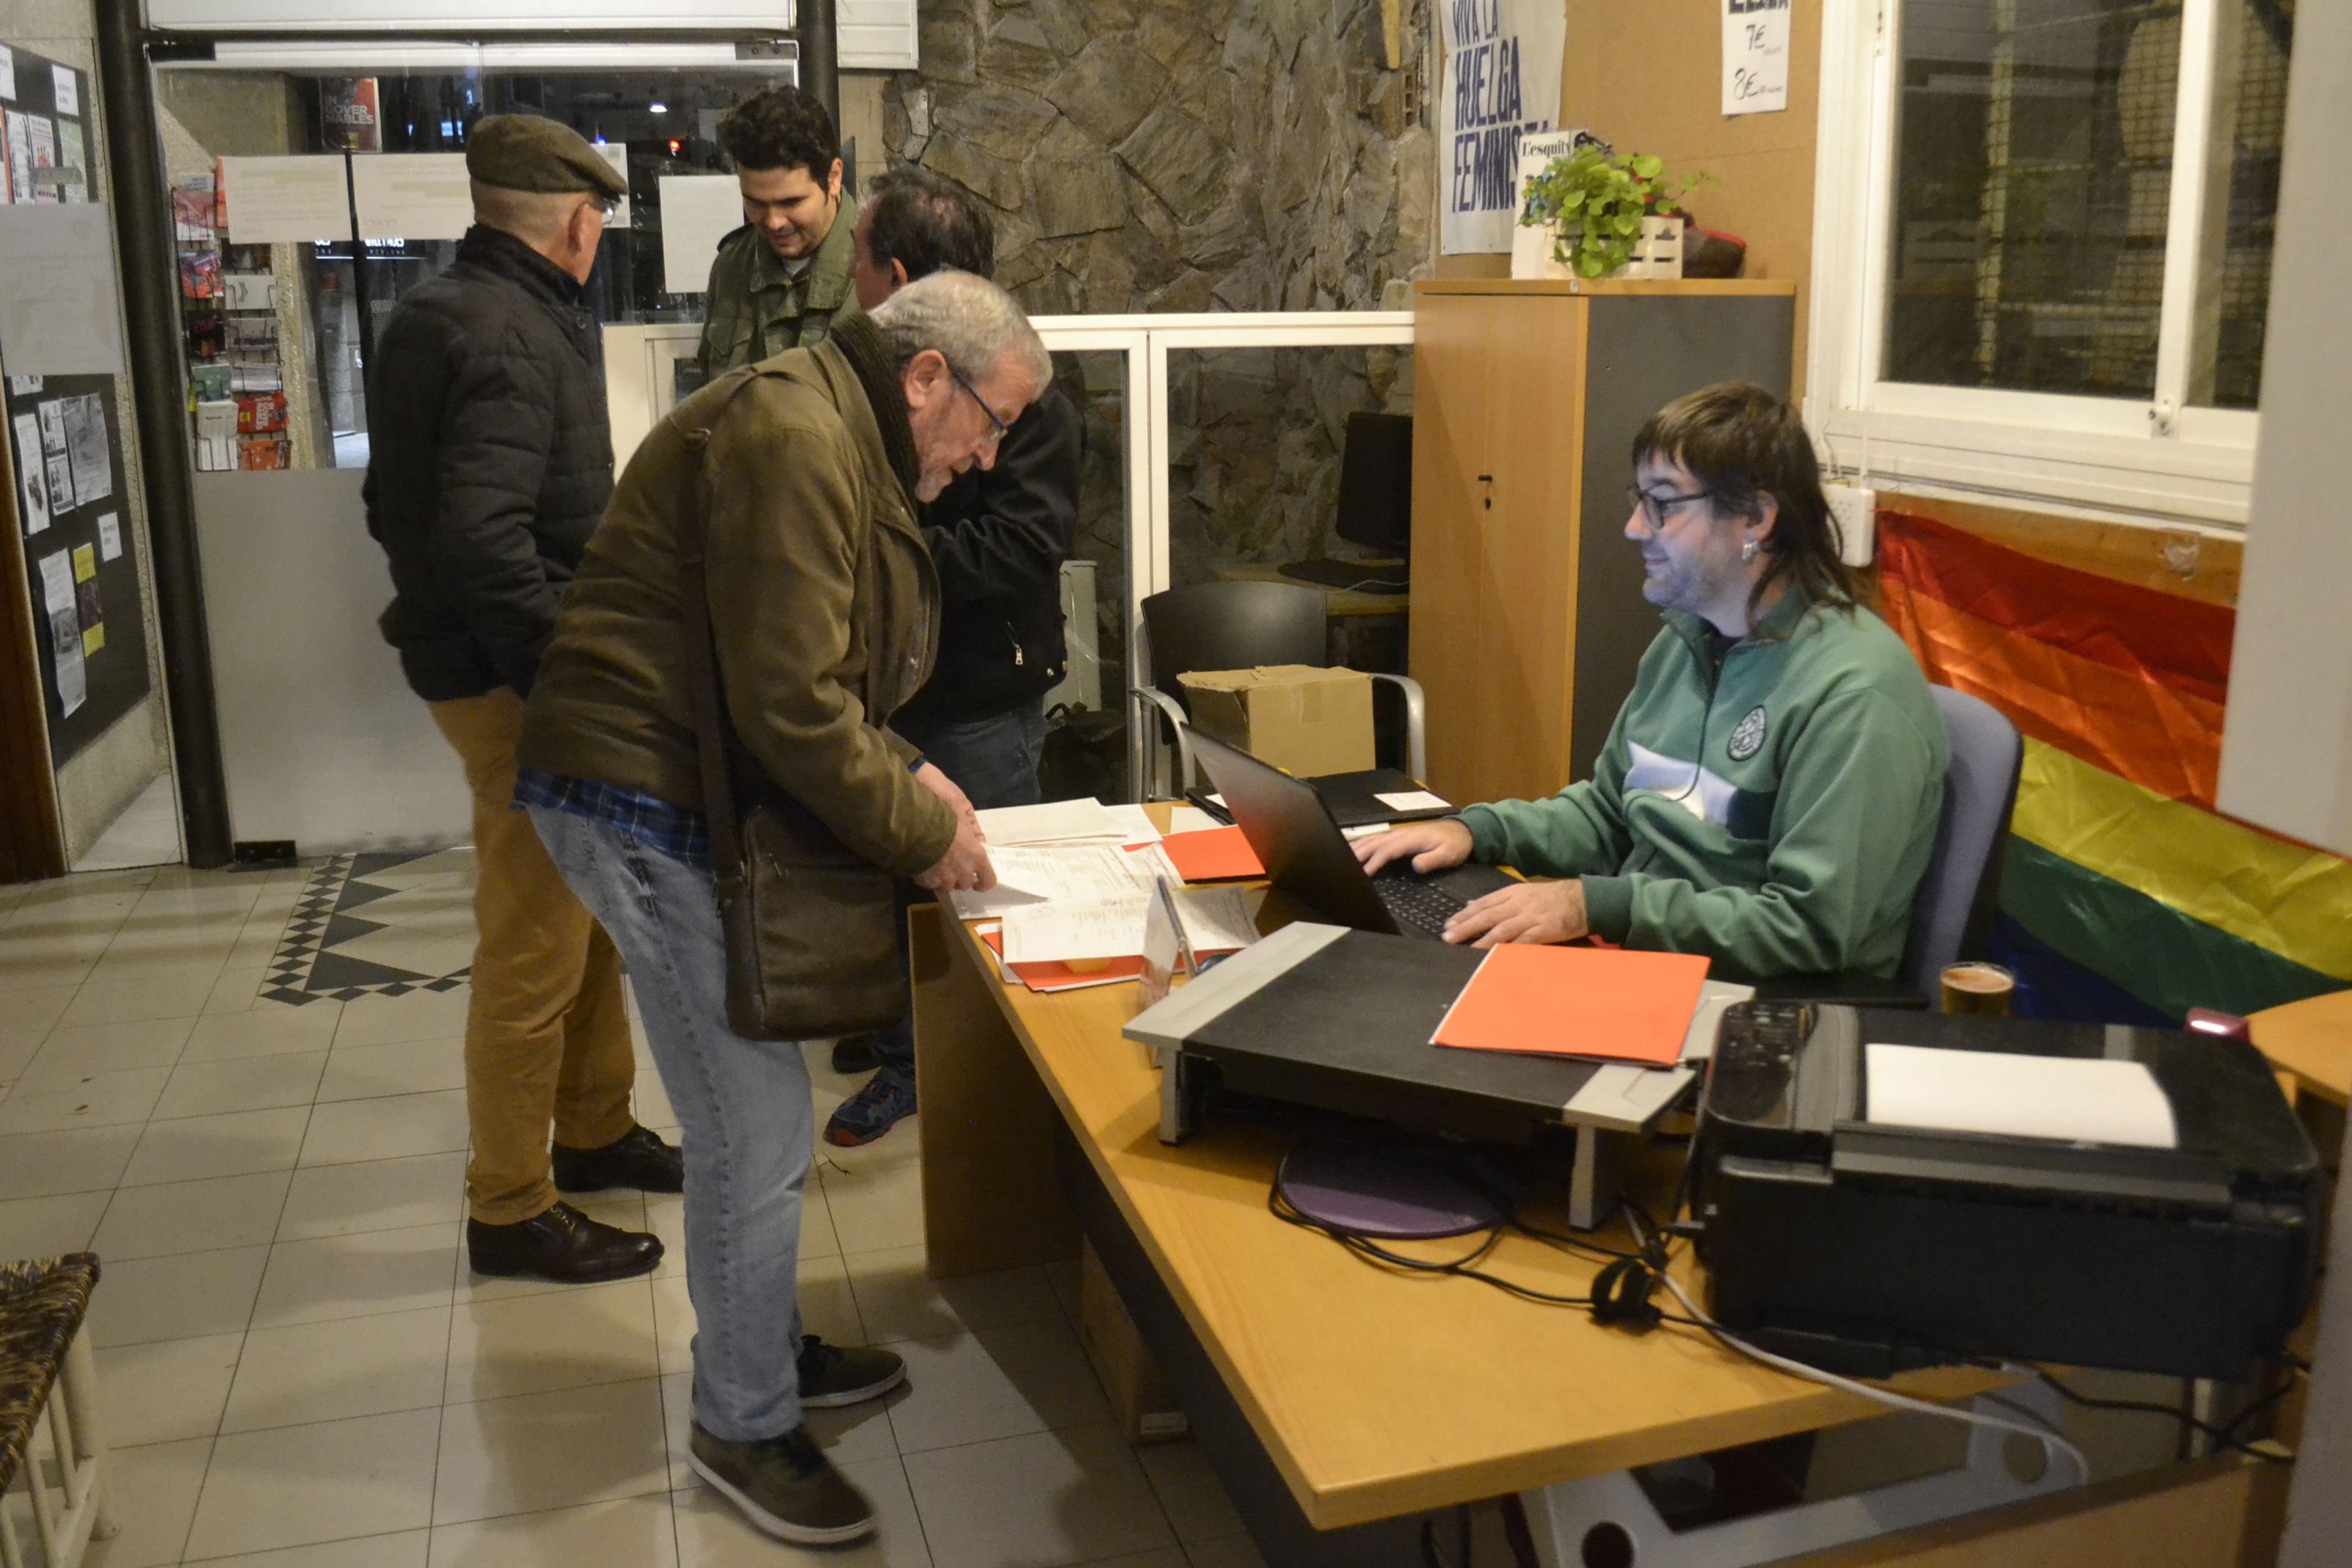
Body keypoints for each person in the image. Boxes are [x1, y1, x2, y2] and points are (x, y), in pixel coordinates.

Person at [514, 270, 1047, 1546]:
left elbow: (801, 670)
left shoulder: (829, 422)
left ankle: (763, 1349)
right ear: (925, 376)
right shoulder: (799, 434)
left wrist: (912, 774)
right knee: (750, 1124)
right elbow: (792, 705)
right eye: (986, 420)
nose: (985, 456)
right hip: (632, 791)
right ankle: (741, 1422)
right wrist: (925, 834)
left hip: (666, 775)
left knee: (762, 1117)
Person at [363, 113, 677, 1285]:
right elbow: (487, 540)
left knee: (582, 907)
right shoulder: (509, 334)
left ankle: (592, 1132)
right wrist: (566, 679)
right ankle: (511, 1204)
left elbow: (398, 511)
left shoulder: (443, 312)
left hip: (479, 664)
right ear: (582, 223)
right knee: (533, 945)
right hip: (516, 683)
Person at [1357, 382, 1950, 978]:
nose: (1636, 527)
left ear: (1756, 518)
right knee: (1391, 969)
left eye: (1663, 504)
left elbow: (1810, 928)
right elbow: (1613, 812)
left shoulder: (1855, 693)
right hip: (1646, 959)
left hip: (1756, 1004)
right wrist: (1476, 831)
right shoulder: (1687, 640)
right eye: (1639, 499)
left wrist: (1598, 904)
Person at [823, 167, 1084, 1147]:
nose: (844, 276)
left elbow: (1024, 545)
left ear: (892, 274)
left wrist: (883, 561)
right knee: (892, 885)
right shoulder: (877, 389)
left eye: (855, 258)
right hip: (894, 689)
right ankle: (905, 1043)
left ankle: (980, 1094)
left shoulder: (1021, 387)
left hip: (976, 692)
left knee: (980, 899)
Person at [695, 87, 857, 379]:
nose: (773, 222)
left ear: (833, 178)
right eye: (755, 202)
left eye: (791, 202)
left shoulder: (883, 269)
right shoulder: (731, 267)